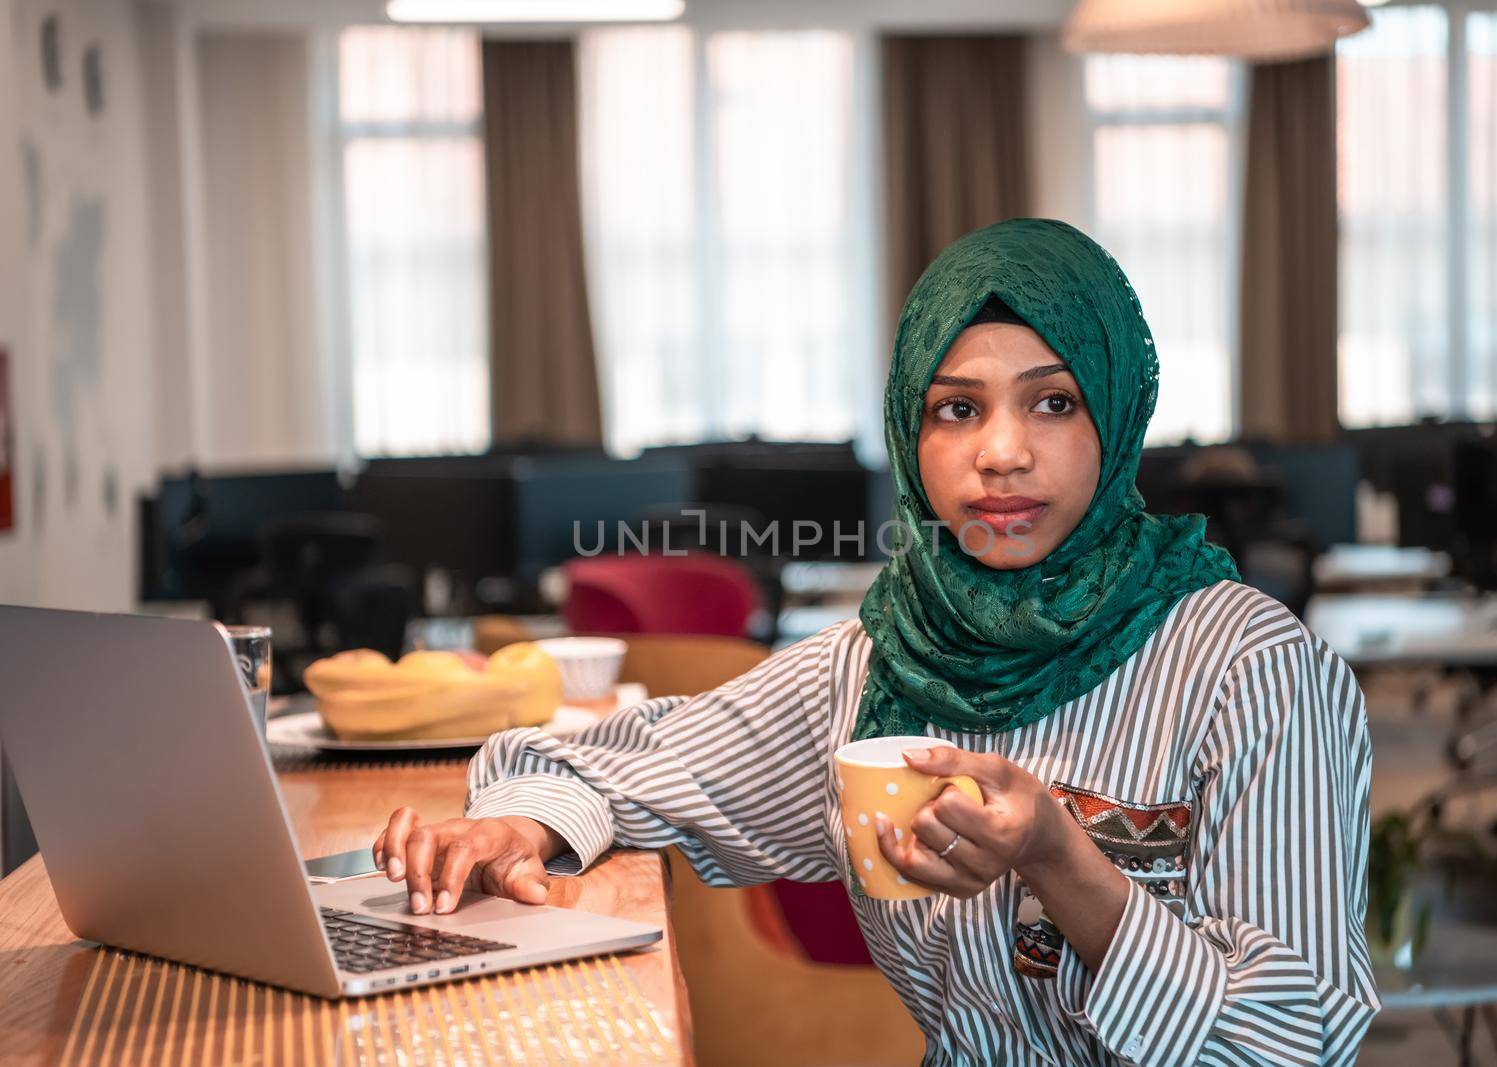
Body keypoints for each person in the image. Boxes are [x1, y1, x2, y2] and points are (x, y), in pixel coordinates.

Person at [372, 218, 1380, 1065]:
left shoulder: (1248, 670)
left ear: (1114, 418)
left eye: (1052, 401)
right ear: (911, 431)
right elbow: (617, 761)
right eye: (956, 408)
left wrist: (1062, 860)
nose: (1001, 451)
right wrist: (515, 825)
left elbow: (1302, 1034)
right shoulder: (875, 664)